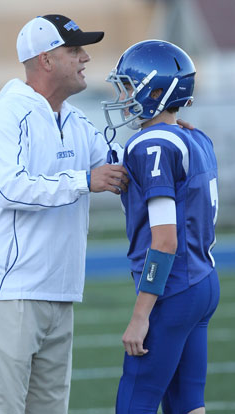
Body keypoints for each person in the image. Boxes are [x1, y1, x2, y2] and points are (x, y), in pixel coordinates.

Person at [0, 14, 129, 414]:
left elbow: (119, 167)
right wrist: (83, 181)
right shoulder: (4, 116)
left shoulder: (74, 119)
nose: (86, 57)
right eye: (75, 50)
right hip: (5, 297)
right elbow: (10, 188)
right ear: (46, 60)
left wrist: (168, 134)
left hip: (59, 294)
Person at [102, 40, 220, 414]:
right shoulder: (195, 137)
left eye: (128, 86)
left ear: (156, 90)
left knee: (134, 402)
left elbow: (165, 240)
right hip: (203, 281)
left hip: (173, 288)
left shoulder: (153, 144)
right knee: (188, 405)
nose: (123, 96)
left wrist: (141, 316)